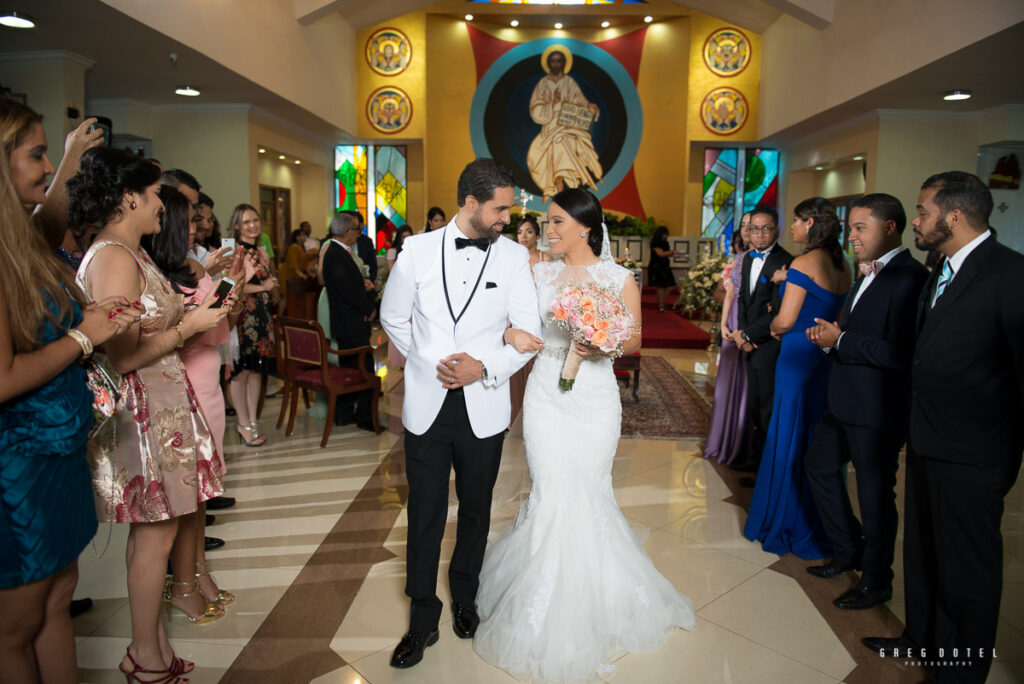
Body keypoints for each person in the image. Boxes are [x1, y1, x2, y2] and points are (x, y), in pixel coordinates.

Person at [475, 188, 696, 681]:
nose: (547, 231)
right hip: (545, 396)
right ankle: (539, 601)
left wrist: (600, 341)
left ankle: (596, 598)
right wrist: (512, 334)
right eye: (546, 224)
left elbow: (635, 335)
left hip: (594, 399)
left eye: (556, 223)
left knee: (591, 490)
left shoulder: (618, 277)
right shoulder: (539, 271)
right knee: (551, 490)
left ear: (583, 226)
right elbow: (514, 320)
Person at [71, 147, 232, 682]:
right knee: (154, 537)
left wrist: (193, 311)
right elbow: (119, 356)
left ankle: (151, 645)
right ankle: (144, 653)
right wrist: (187, 328)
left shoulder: (129, 252)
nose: (164, 204)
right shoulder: (113, 257)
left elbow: (147, 326)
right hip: (140, 413)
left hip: (160, 405)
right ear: (129, 197)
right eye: (157, 193)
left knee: (158, 535)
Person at [379, 158, 541, 669]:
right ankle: (422, 619)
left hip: (485, 408)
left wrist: (484, 367)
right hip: (427, 405)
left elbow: (530, 334)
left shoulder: (515, 257)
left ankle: (465, 598)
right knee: (424, 512)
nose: (507, 219)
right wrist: (432, 363)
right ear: (470, 203)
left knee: (475, 508)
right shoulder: (417, 250)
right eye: (500, 209)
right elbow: (392, 316)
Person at [864, 172, 1024, 684]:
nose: (917, 220)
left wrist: (1000, 450)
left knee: (968, 570)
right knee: (925, 551)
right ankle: (922, 640)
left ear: (954, 216)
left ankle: (961, 672)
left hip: (976, 450)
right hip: (928, 437)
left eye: (923, 211)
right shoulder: (941, 269)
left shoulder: (1009, 273)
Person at [0, 143, 138, 684]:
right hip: (20, 460)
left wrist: (94, 318)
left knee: (57, 597)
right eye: (37, 154)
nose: (49, 170)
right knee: (16, 625)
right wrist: (86, 335)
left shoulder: (23, 247)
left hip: (58, 447)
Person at [802, 194, 928, 610]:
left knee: (876, 496)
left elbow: (901, 353)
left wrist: (843, 340)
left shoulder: (910, 278)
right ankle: (848, 547)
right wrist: (831, 339)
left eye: (860, 228)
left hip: (877, 409)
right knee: (819, 467)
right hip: (842, 400)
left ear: (889, 228)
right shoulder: (866, 273)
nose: (850, 236)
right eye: (850, 227)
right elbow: (856, 333)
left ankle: (877, 580)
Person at [742, 198, 850, 558]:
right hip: (824, 359)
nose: (791, 228)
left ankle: (785, 517)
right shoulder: (843, 264)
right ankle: (817, 516)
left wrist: (772, 329)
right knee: (812, 436)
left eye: (797, 221)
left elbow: (786, 320)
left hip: (796, 358)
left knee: (788, 433)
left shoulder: (803, 263)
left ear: (811, 224)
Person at [728, 209, 793, 476]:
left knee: (767, 408)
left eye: (766, 229)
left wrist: (748, 336)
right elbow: (743, 300)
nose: (759, 234)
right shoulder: (746, 259)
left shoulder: (787, 262)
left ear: (777, 230)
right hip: (750, 342)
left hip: (770, 345)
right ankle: (756, 461)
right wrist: (742, 331)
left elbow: (779, 311)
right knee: (756, 405)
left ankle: (765, 471)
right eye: (754, 229)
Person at [227, 204, 278, 447]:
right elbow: (231, 287)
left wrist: (269, 282)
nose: (253, 225)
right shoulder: (235, 252)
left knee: (256, 369)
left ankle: (253, 421)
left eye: (255, 220)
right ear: (237, 225)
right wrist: (262, 287)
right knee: (242, 370)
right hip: (242, 316)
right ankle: (243, 422)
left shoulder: (260, 251)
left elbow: (264, 282)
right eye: (247, 221)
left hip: (260, 314)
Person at [704, 214, 752, 464]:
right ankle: (725, 438)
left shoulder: (773, 260)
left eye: (751, 225)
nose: (747, 230)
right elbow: (729, 293)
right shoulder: (740, 259)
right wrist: (724, 324)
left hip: (752, 323)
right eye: (743, 225)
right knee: (728, 379)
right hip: (733, 320)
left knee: (748, 384)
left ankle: (744, 438)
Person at [323, 212, 378, 430]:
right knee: (364, 368)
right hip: (351, 321)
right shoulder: (336, 254)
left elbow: (348, 284)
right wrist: (368, 307)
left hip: (347, 321)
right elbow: (346, 290)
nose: (359, 233)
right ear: (347, 232)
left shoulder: (338, 251)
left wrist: (361, 283)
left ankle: (344, 413)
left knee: (351, 368)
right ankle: (364, 416)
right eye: (357, 229)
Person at [526, 47, 603, 202]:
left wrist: (589, 107)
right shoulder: (543, 83)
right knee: (533, 157)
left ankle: (560, 196)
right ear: (548, 64)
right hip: (549, 127)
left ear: (563, 63)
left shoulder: (569, 82)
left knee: (560, 147)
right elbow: (536, 108)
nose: (556, 64)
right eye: (553, 61)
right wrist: (552, 105)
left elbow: (580, 102)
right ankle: (552, 189)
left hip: (566, 128)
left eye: (558, 61)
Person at [647, 225, 676, 312]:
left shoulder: (665, 243)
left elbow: (665, 253)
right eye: (665, 234)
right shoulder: (655, 242)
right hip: (658, 266)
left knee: (670, 285)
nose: (666, 236)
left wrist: (672, 253)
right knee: (661, 285)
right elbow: (660, 254)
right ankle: (661, 304)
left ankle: (662, 301)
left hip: (665, 265)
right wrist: (672, 252)